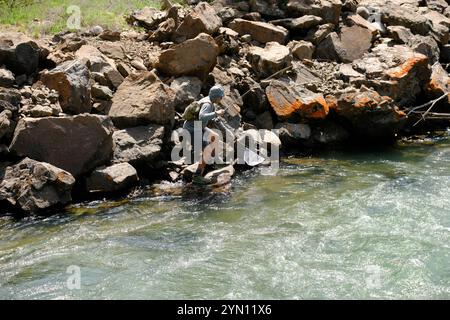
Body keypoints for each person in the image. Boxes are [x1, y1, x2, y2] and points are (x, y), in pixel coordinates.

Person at [183, 85, 226, 180]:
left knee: (215, 137)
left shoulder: (210, 101)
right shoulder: (207, 104)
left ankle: (216, 162)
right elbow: (202, 116)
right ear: (216, 97)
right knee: (207, 150)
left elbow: (212, 118)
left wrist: (221, 125)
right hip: (192, 129)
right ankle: (197, 176)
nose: (222, 98)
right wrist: (216, 113)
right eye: (221, 96)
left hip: (198, 126)